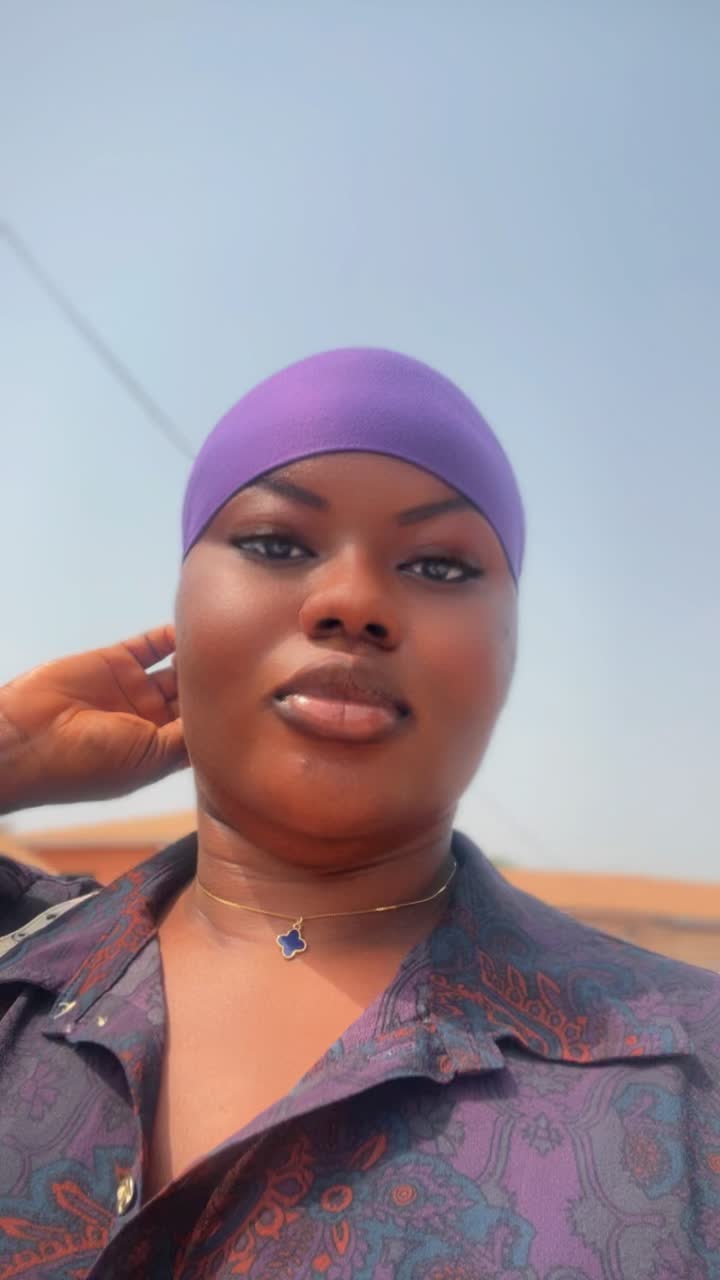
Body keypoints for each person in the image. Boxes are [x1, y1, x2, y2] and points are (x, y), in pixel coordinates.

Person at [0, 347, 717, 1280]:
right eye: (276, 546)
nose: (353, 602)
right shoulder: (22, 953)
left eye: (439, 564)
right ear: (182, 604)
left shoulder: (686, 1072)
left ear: (511, 646)